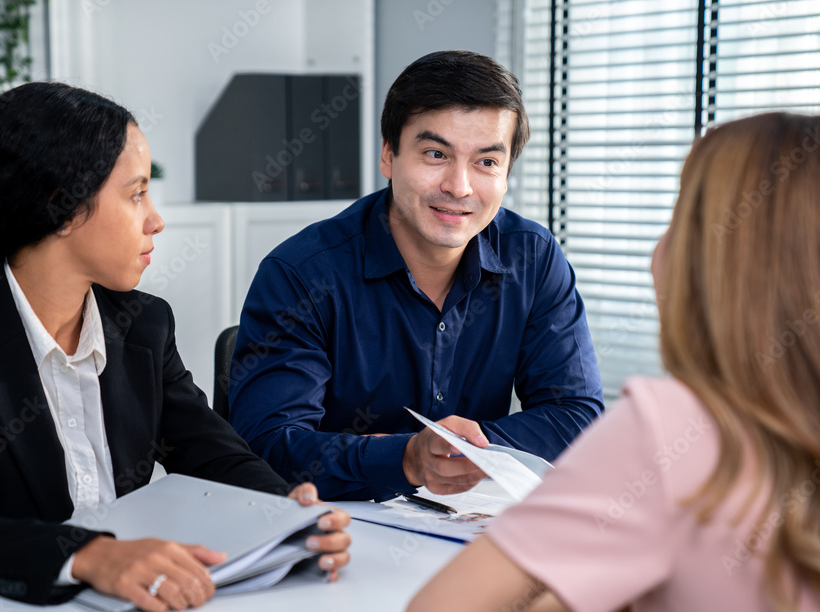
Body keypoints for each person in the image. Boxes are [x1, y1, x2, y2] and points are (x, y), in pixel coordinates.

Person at [402, 112, 820, 612]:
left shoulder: (671, 427)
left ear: (714, 254)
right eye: (436, 155)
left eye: (679, 217)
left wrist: (628, 583)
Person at [0, 82, 350, 612]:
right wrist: (88, 556)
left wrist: (284, 508)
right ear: (64, 207)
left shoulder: (144, 325)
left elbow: (212, 452)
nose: (155, 220)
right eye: (137, 193)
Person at [228, 51, 603, 502]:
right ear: (389, 155)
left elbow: (577, 414)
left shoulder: (534, 258)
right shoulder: (302, 275)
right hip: (339, 532)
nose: (459, 187)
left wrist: (463, 454)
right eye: (435, 154)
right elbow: (267, 447)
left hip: (471, 529)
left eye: (486, 162)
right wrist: (406, 459)